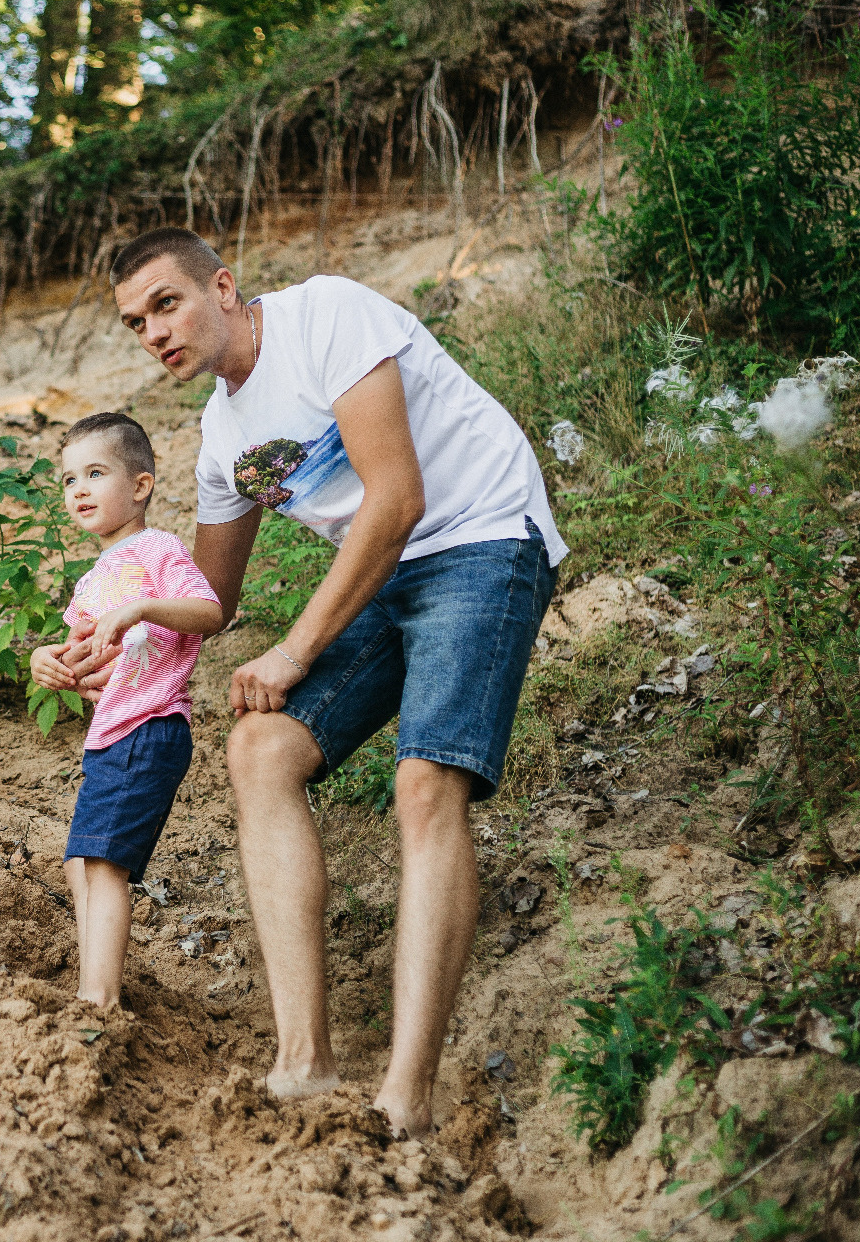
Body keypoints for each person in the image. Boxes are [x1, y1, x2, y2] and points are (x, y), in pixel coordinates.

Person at [89, 226, 566, 1137]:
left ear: (222, 287)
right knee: (260, 749)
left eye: (166, 303)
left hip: (482, 538)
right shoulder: (223, 437)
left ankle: (406, 1097)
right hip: (383, 576)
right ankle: (303, 1063)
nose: (153, 331)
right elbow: (211, 598)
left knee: (425, 784)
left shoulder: (326, 316)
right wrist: (118, 629)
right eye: (133, 323)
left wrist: (296, 651)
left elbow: (396, 499)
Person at [31, 412, 224, 1010]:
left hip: (151, 723)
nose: (79, 489)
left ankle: (98, 998)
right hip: (110, 733)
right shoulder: (90, 582)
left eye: (95, 473)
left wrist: (143, 608)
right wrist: (48, 659)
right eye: (68, 480)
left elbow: (209, 612)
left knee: (106, 865)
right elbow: (80, 657)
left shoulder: (159, 551)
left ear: (139, 485)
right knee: (79, 863)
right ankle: (102, 979)